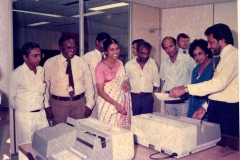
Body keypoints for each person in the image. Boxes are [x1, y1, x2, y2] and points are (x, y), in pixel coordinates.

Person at [169, 23, 239, 137]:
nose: (209, 46)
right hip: (216, 107)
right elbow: (218, 91)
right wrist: (205, 107)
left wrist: (185, 88)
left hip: (228, 111)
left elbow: (219, 84)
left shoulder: (234, 55)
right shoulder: (223, 57)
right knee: (214, 145)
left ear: (221, 40)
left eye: (211, 42)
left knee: (227, 148)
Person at [43, 35, 94, 126]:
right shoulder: (50, 63)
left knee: (79, 133)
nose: (72, 49)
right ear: (61, 48)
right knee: (60, 134)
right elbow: (45, 87)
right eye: (68, 47)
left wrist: (89, 104)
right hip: (59, 104)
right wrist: (46, 106)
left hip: (79, 103)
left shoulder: (82, 62)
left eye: (74, 47)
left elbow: (89, 84)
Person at [9, 42, 49, 144]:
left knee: (44, 143)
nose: (39, 58)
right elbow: (11, 100)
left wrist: (44, 106)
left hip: (41, 115)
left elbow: (43, 93)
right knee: (27, 147)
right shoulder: (16, 74)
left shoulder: (41, 70)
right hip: (25, 117)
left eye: (40, 55)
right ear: (25, 57)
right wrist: (24, 109)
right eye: (35, 56)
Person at [95, 38, 131, 126]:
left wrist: (126, 83)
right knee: (108, 131)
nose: (115, 52)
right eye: (112, 49)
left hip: (121, 101)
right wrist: (116, 104)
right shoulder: (100, 66)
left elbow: (124, 79)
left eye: (117, 48)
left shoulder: (120, 63)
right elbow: (100, 91)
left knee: (120, 132)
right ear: (106, 51)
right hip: (107, 104)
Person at [160, 37, 196, 117]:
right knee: (170, 125)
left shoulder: (188, 59)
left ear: (176, 45)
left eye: (171, 46)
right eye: (166, 48)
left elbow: (196, 77)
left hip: (184, 101)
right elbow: (164, 80)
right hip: (169, 102)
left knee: (183, 126)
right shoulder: (164, 62)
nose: (169, 50)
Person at [187, 39, 219, 120]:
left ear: (206, 52)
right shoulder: (195, 69)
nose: (197, 57)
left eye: (200, 53)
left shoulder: (215, 65)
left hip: (208, 109)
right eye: (194, 55)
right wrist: (190, 114)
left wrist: (204, 107)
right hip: (195, 110)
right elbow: (192, 94)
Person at [125, 41, 160, 115]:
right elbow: (125, 81)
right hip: (133, 98)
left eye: (147, 53)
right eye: (142, 53)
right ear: (137, 52)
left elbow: (156, 83)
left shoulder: (153, 64)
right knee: (134, 120)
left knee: (146, 121)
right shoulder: (129, 65)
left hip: (148, 98)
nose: (145, 56)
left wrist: (146, 91)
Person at [83, 32, 111, 119]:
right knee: (93, 118)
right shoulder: (88, 57)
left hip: (107, 90)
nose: (105, 45)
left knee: (105, 116)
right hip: (94, 90)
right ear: (97, 42)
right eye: (103, 42)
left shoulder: (110, 57)